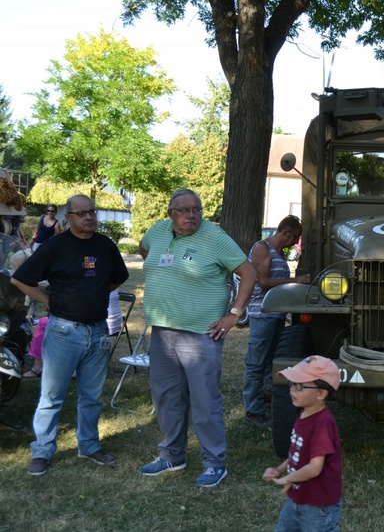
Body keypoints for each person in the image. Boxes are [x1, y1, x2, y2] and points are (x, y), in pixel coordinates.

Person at [137, 188, 256, 488]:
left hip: (201, 334)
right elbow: (144, 250)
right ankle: (172, 455)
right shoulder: (157, 231)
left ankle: (215, 463)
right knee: (166, 397)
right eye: (184, 210)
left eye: (197, 209)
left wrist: (234, 313)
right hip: (163, 331)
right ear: (170, 213)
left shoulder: (215, 237)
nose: (192, 216)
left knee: (204, 400)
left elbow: (248, 272)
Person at [11, 194, 129, 476]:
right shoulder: (55, 246)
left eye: (92, 212)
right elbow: (20, 278)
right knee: (52, 396)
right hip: (64, 331)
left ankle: (88, 445)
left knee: (91, 395)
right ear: (69, 217)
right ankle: (42, 451)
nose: (89, 217)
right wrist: (49, 300)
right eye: (81, 213)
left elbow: (119, 276)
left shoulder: (105, 245)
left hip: (98, 331)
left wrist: (96, 292)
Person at [243, 215, 310, 428]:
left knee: (270, 361)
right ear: (286, 232)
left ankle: (265, 401)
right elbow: (263, 282)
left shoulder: (279, 254)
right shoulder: (263, 248)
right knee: (256, 363)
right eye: (295, 236)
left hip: (277, 315)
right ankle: (252, 410)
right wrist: (296, 281)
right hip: (262, 315)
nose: (295, 241)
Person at [263, 356, 342, 532]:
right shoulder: (304, 413)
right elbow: (297, 452)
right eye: (291, 383)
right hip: (297, 497)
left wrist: (288, 478)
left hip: (318, 506)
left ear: (321, 393)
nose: (292, 390)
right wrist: (280, 469)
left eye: (299, 386)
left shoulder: (323, 423)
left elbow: (315, 468)